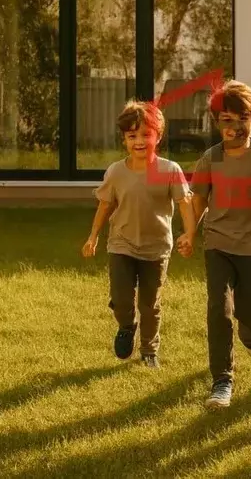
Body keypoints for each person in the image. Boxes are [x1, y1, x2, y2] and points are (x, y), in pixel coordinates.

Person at [81, 100, 196, 369]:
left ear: (158, 136)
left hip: (156, 248)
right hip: (122, 243)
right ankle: (126, 324)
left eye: (146, 134)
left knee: (150, 304)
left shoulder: (170, 170)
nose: (139, 141)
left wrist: (189, 234)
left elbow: (184, 203)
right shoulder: (116, 172)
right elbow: (106, 205)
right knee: (121, 299)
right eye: (132, 136)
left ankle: (149, 350)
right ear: (124, 140)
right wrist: (93, 236)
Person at [188, 80, 251, 409]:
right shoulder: (210, 158)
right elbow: (198, 201)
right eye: (225, 119)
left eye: (242, 117)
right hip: (218, 243)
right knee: (219, 309)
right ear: (217, 123)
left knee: (246, 312)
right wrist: (189, 233)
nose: (233, 126)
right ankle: (222, 380)